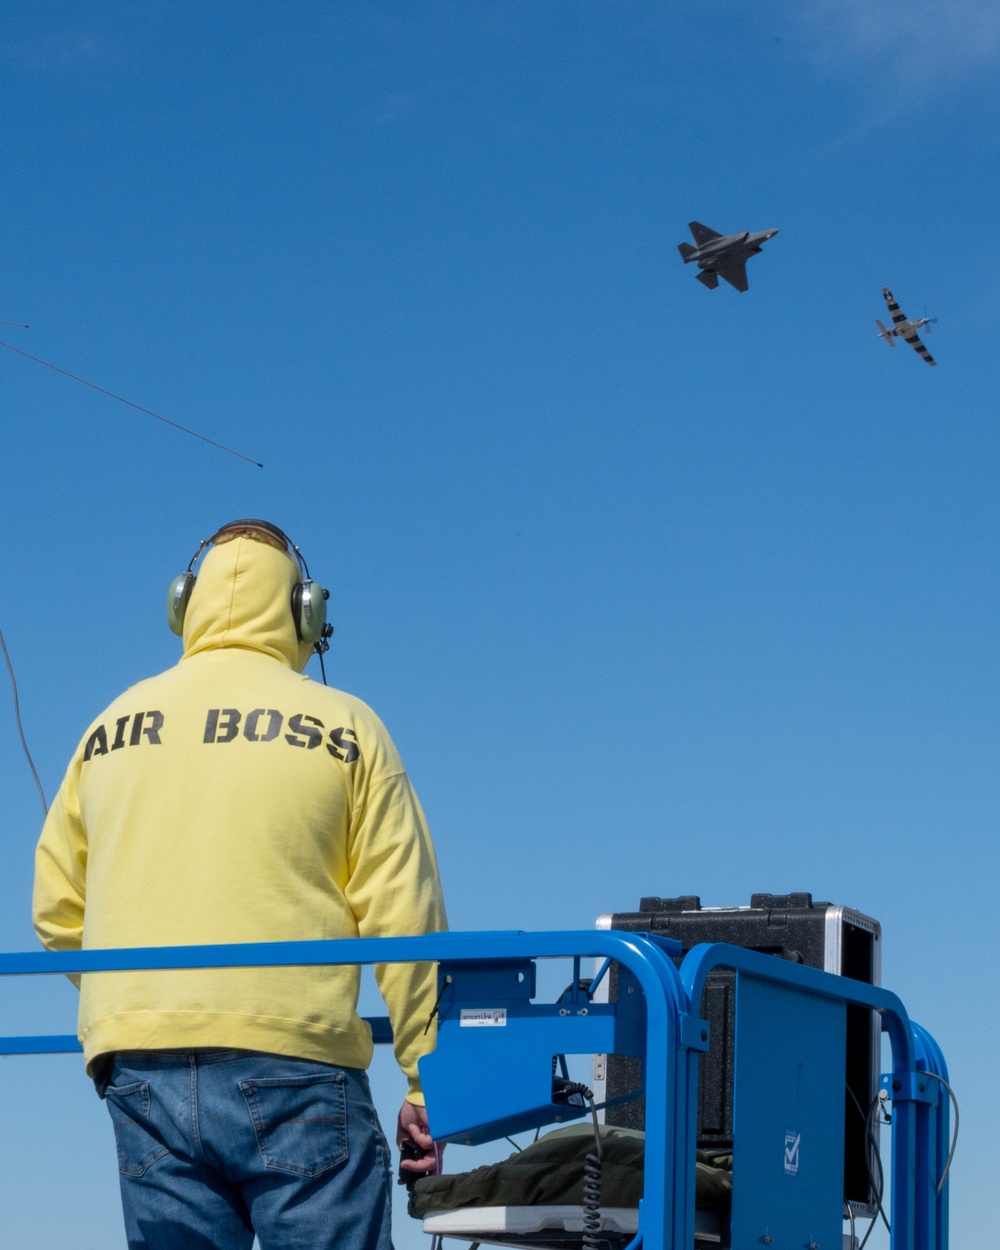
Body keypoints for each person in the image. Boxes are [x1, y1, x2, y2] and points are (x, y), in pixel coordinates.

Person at [33, 519, 448, 1250]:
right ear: (305, 611)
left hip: (141, 1070)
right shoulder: (347, 726)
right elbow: (405, 917)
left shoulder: (107, 729)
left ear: (183, 605)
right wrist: (429, 1083)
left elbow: (57, 910)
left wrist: (148, 1002)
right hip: (299, 1061)